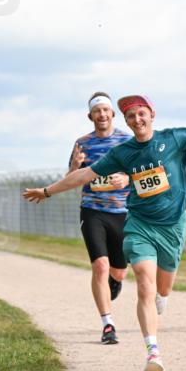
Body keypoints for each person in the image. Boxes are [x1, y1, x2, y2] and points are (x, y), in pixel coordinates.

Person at [24, 95, 186, 371]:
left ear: (152, 114)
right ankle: (152, 351)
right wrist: (47, 191)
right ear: (127, 122)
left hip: (173, 226)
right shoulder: (123, 152)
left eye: (141, 114)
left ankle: (163, 296)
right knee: (145, 282)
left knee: (163, 288)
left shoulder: (175, 138)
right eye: (131, 117)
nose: (137, 120)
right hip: (139, 225)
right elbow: (84, 176)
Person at [67, 92, 132, 345]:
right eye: (97, 111)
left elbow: (140, 172)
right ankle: (107, 324)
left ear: (113, 114)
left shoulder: (127, 141)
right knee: (100, 266)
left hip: (123, 212)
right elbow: (71, 178)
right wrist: (75, 166)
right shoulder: (82, 143)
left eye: (106, 110)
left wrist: (126, 178)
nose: (102, 115)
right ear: (90, 116)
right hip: (93, 210)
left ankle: (114, 283)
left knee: (119, 271)